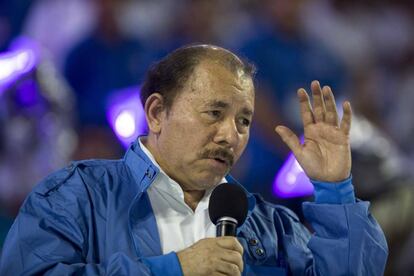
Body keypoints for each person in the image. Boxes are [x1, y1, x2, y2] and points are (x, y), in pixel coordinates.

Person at [0, 45, 387, 275]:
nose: (230, 135)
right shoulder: (75, 196)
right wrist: (174, 269)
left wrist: (336, 191)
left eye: (244, 121)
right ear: (156, 113)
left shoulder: (268, 225)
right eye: (214, 113)